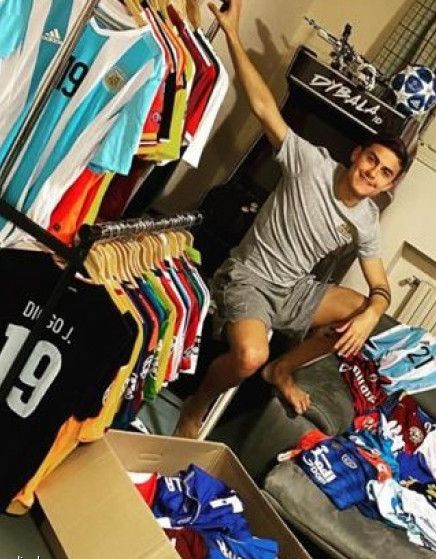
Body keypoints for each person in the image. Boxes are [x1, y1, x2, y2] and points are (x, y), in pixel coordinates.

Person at [174, 0, 409, 439]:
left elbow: (380, 286)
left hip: (294, 291)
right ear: (357, 154)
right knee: (249, 357)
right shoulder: (311, 164)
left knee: (359, 310)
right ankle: (196, 404)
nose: (372, 173)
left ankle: (283, 370)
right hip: (250, 278)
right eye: (371, 160)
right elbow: (265, 108)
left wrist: (371, 314)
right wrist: (232, 34)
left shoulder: (367, 220)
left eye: (384, 173)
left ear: (387, 185)